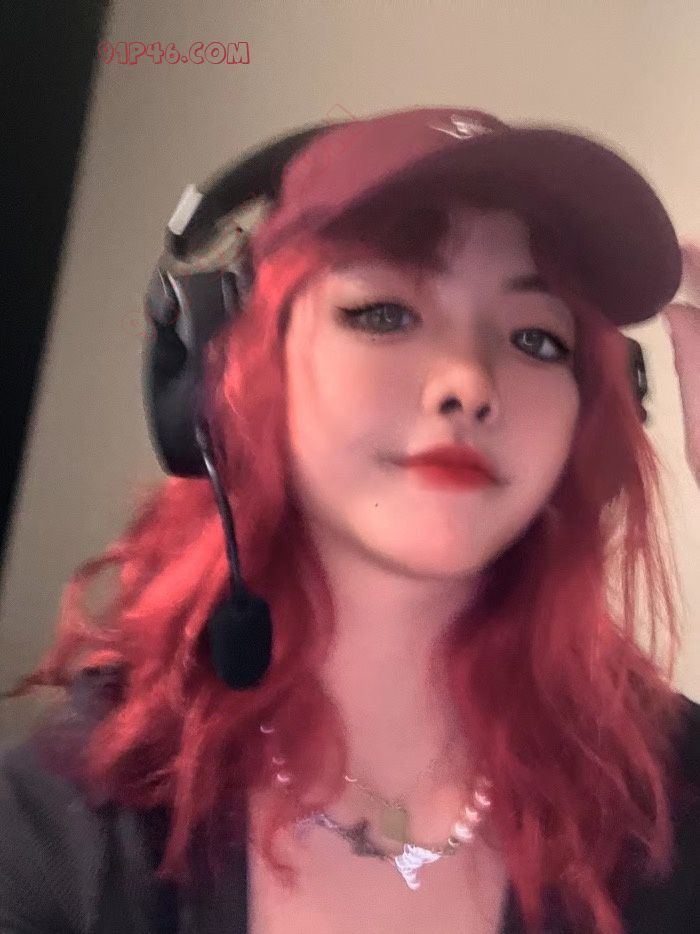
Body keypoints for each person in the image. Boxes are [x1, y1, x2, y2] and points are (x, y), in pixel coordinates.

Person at [1, 106, 699, 934]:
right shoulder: (68, 824)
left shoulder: (667, 790)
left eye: (537, 340)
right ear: (229, 365)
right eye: (384, 313)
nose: (468, 382)